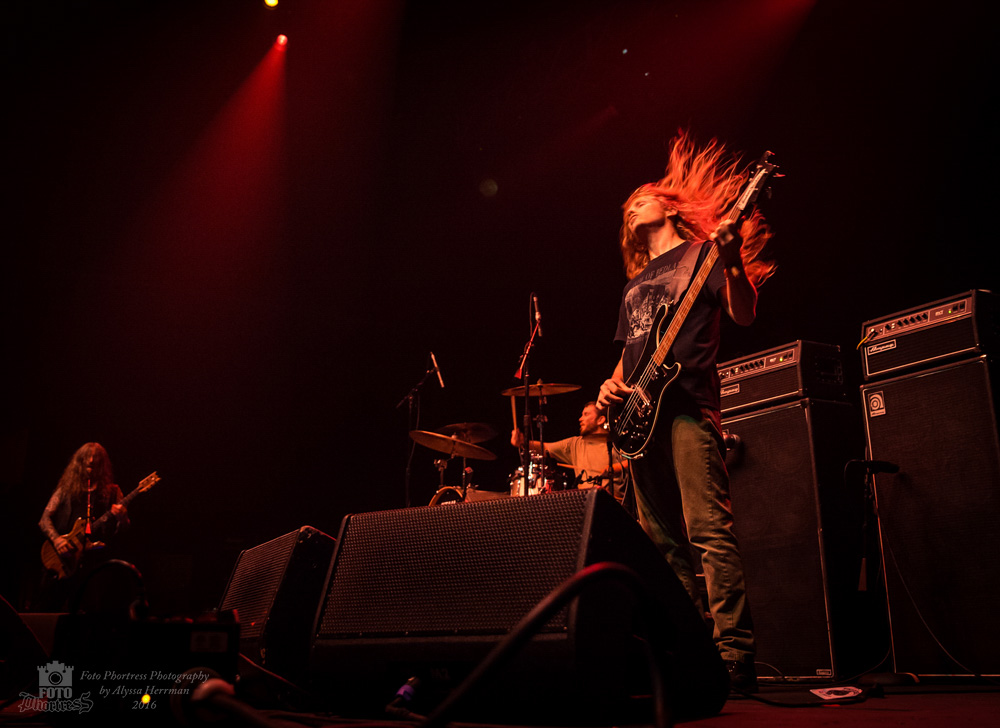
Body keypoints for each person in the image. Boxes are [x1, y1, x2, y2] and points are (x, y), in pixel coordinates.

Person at [595, 131, 775, 691]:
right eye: (627, 207)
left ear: (669, 207)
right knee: (660, 544)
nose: (631, 206)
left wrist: (732, 260)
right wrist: (609, 387)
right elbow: (630, 353)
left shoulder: (702, 256)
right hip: (637, 417)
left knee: (707, 530)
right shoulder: (633, 285)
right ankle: (687, 651)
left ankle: (734, 656)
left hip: (687, 407)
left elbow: (744, 315)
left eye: (641, 198)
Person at [36, 442, 129, 609]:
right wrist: (57, 540)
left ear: (102, 463)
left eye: (96, 457)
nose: (91, 460)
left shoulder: (113, 492)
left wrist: (122, 518)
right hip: (62, 559)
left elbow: (124, 531)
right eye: (87, 456)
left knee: (89, 612)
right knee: (47, 609)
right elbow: (44, 519)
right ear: (79, 461)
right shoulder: (65, 490)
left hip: (93, 566)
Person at [511, 401, 628, 501]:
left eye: (586, 414)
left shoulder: (616, 442)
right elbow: (545, 447)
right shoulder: (575, 444)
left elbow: (634, 462)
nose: (580, 419)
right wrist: (522, 442)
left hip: (615, 505)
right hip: (587, 504)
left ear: (600, 420)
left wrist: (616, 468)